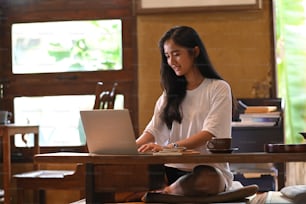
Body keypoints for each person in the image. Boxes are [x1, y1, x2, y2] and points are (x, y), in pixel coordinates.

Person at [136, 25, 237, 196]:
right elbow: (152, 131)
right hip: (170, 170)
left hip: (208, 170)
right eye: (167, 56)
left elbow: (208, 133)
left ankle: (165, 193)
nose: (171, 62)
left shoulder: (218, 88)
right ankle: (167, 192)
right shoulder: (170, 94)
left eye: (176, 54)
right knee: (129, 176)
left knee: (207, 181)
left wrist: (168, 148)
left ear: (195, 51)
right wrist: (127, 147)